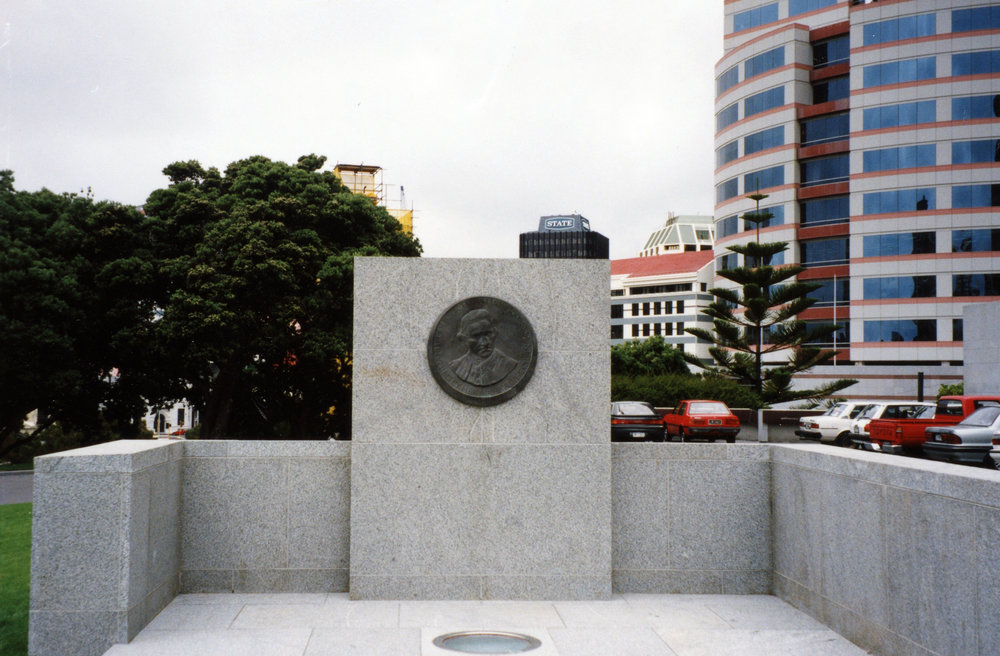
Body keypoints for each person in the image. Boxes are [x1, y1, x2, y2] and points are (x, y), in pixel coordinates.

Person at [449, 309, 518, 386]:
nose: (485, 342)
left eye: (488, 334)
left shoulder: (508, 364)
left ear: (495, 333)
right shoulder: (455, 366)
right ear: (464, 339)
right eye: (476, 336)